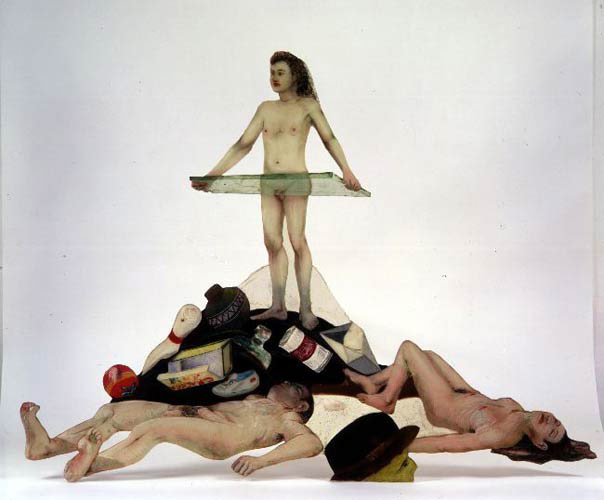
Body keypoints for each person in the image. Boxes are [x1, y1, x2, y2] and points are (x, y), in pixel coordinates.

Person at [191, 51, 362, 330]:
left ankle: (305, 308)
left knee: (297, 241)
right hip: (269, 183)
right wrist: (212, 175)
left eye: (280, 73)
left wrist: (347, 170)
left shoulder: (308, 106)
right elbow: (243, 145)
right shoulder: (265, 108)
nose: (274, 78)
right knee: (272, 242)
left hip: (296, 181)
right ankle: (279, 306)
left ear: (295, 75)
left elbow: (329, 138)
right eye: (271, 73)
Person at [344, 340, 596, 463]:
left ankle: (387, 399)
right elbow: (476, 396)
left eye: (551, 431)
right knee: (427, 355)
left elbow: (448, 445)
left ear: (539, 443)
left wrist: (397, 446)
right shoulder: (519, 411)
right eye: (556, 421)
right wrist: (456, 384)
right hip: (461, 393)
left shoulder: (503, 435)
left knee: (409, 348)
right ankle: (374, 381)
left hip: (444, 407)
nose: (551, 421)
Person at [21, 381, 321, 481]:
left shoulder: (288, 418)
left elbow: (311, 444)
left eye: (294, 387)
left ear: (301, 406)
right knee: (112, 412)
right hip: (199, 414)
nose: (285, 382)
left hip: (224, 436)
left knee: (154, 429)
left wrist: (262, 460)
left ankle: (89, 465)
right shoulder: (258, 398)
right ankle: (46, 447)